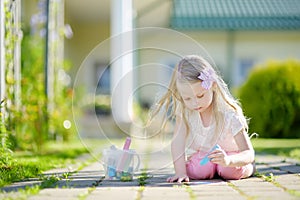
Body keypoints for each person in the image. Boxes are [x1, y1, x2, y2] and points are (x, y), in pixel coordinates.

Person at [150, 55, 255, 183]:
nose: (195, 103)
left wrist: (228, 161)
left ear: (213, 86)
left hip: (232, 157)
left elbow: (249, 153)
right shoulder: (186, 113)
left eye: (200, 96)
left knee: (228, 170)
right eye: (187, 98)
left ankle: (243, 168)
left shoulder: (228, 114)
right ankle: (211, 168)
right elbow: (177, 143)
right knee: (199, 170)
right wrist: (180, 172)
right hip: (205, 156)